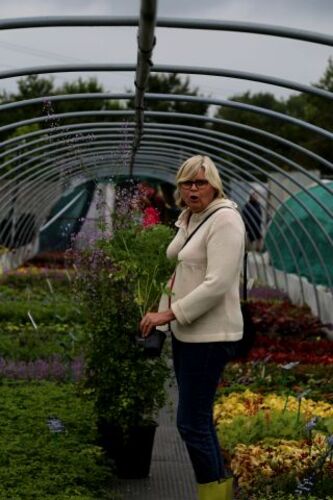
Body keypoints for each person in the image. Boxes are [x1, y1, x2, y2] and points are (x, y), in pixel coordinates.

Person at [140, 155, 245, 500]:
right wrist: (158, 318)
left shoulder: (225, 220)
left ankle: (213, 494)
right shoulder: (190, 218)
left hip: (210, 337)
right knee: (198, 421)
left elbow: (217, 284)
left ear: (214, 184)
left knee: (190, 423)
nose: (193, 189)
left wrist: (168, 315)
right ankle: (217, 491)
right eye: (187, 182)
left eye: (200, 182)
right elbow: (178, 273)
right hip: (189, 334)